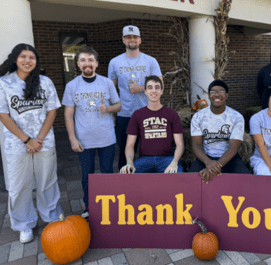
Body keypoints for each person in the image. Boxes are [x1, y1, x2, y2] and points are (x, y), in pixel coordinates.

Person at [0, 43, 63, 243]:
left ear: (36, 61)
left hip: (44, 142)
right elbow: (3, 116)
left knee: (47, 182)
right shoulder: (4, 83)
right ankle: (24, 224)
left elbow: (52, 111)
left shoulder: (45, 82)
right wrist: (27, 140)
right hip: (17, 145)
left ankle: (51, 217)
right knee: (19, 185)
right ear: (15, 59)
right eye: (23, 56)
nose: (27, 60)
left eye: (31, 57)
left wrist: (38, 139)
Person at [62, 46, 121, 220]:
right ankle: (89, 207)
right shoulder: (72, 86)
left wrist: (108, 108)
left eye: (90, 60)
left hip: (106, 138)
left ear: (96, 63)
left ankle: (109, 206)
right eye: (83, 60)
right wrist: (73, 138)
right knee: (87, 176)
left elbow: (118, 106)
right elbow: (68, 113)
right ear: (78, 64)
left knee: (107, 174)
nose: (87, 63)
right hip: (84, 140)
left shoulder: (107, 83)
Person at [108, 25, 163, 170]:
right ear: (123, 40)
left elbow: (160, 84)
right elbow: (110, 89)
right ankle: (125, 184)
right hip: (124, 114)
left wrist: (140, 88)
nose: (131, 40)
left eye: (134, 37)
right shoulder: (114, 62)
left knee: (149, 152)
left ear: (139, 40)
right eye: (128, 37)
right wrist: (111, 112)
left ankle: (147, 185)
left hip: (148, 113)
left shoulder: (150, 61)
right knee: (125, 153)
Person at [119, 75, 184, 174]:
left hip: (167, 159)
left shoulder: (172, 114)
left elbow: (180, 144)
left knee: (178, 175)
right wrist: (129, 162)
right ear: (145, 91)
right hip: (145, 160)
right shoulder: (137, 115)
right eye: (150, 88)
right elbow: (130, 145)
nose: (153, 91)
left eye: (157, 87)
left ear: (162, 91)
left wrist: (174, 162)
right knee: (125, 175)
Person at [189, 80, 250, 182]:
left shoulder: (236, 117)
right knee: (190, 180)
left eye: (221, 91)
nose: (217, 95)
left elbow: (233, 147)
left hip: (229, 158)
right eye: (213, 92)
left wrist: (215, 166)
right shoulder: (198, 117)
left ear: (226, 95)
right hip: (206, 157)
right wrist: (208, 163)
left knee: (246, 179)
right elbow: (196, 145)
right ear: (209, 96)